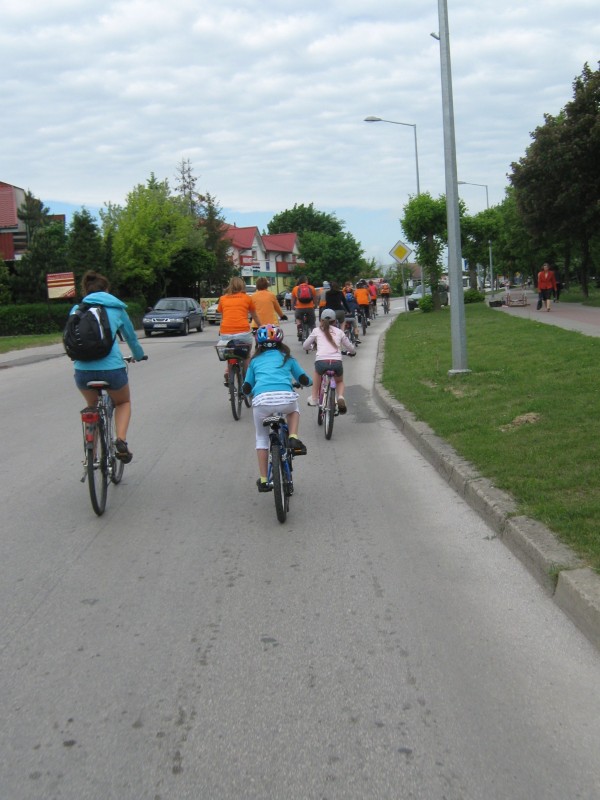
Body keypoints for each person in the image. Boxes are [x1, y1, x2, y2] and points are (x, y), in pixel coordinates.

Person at [71, 270, 145, 464]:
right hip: (112, 369)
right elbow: (131, 338)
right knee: (123, 402)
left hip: (82, 371)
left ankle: (91, 455)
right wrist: (139, 355)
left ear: (86, 290)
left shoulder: (77, 309)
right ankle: (120, 440)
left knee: (92, 407)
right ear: (106, 290)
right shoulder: (117, 309)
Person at [243, 324, 312, 493]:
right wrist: (307, 382)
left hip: (262, 402)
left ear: (259, 344)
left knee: (261, 438)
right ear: (280, 341)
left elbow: (247, 386)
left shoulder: (254, 361)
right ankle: (293, 436)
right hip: (285, 398)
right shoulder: (287, 358)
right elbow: (304, 378)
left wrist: (249, 392)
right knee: (293, 411)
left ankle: (264, 480)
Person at [303, 308, 356, 415]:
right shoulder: (339, 332)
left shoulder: (316, 331)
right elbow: (350, 347)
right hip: (336, 362)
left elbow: (305, 346)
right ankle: (340, 397)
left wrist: (311, 347)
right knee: (339, 381)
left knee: (317, 373)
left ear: (321, 320)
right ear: (335, 321)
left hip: (321, 362)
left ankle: (314, 398)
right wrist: (352, 352)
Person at [217, 277, 261, 383]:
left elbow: (223, 316)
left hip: (226, 332)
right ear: (242, 286)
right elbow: (254, 315)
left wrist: (221, 329)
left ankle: (228, 371)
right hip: (243, 332)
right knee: (246, 355)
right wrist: (261, 326)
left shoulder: (222, 298)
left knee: (229, 352)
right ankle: (248, 379)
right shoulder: (247, 298)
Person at [291, 276, 317, 341]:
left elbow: (293, 299)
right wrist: (315, 305)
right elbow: (315, 298)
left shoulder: (295, 288)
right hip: (310, 308)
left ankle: (300, 328)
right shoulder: (311, 287)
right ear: (306, 281)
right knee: (312, 323)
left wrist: (293, 307)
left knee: (297, 318)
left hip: (299, 308)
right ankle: (314, 336)